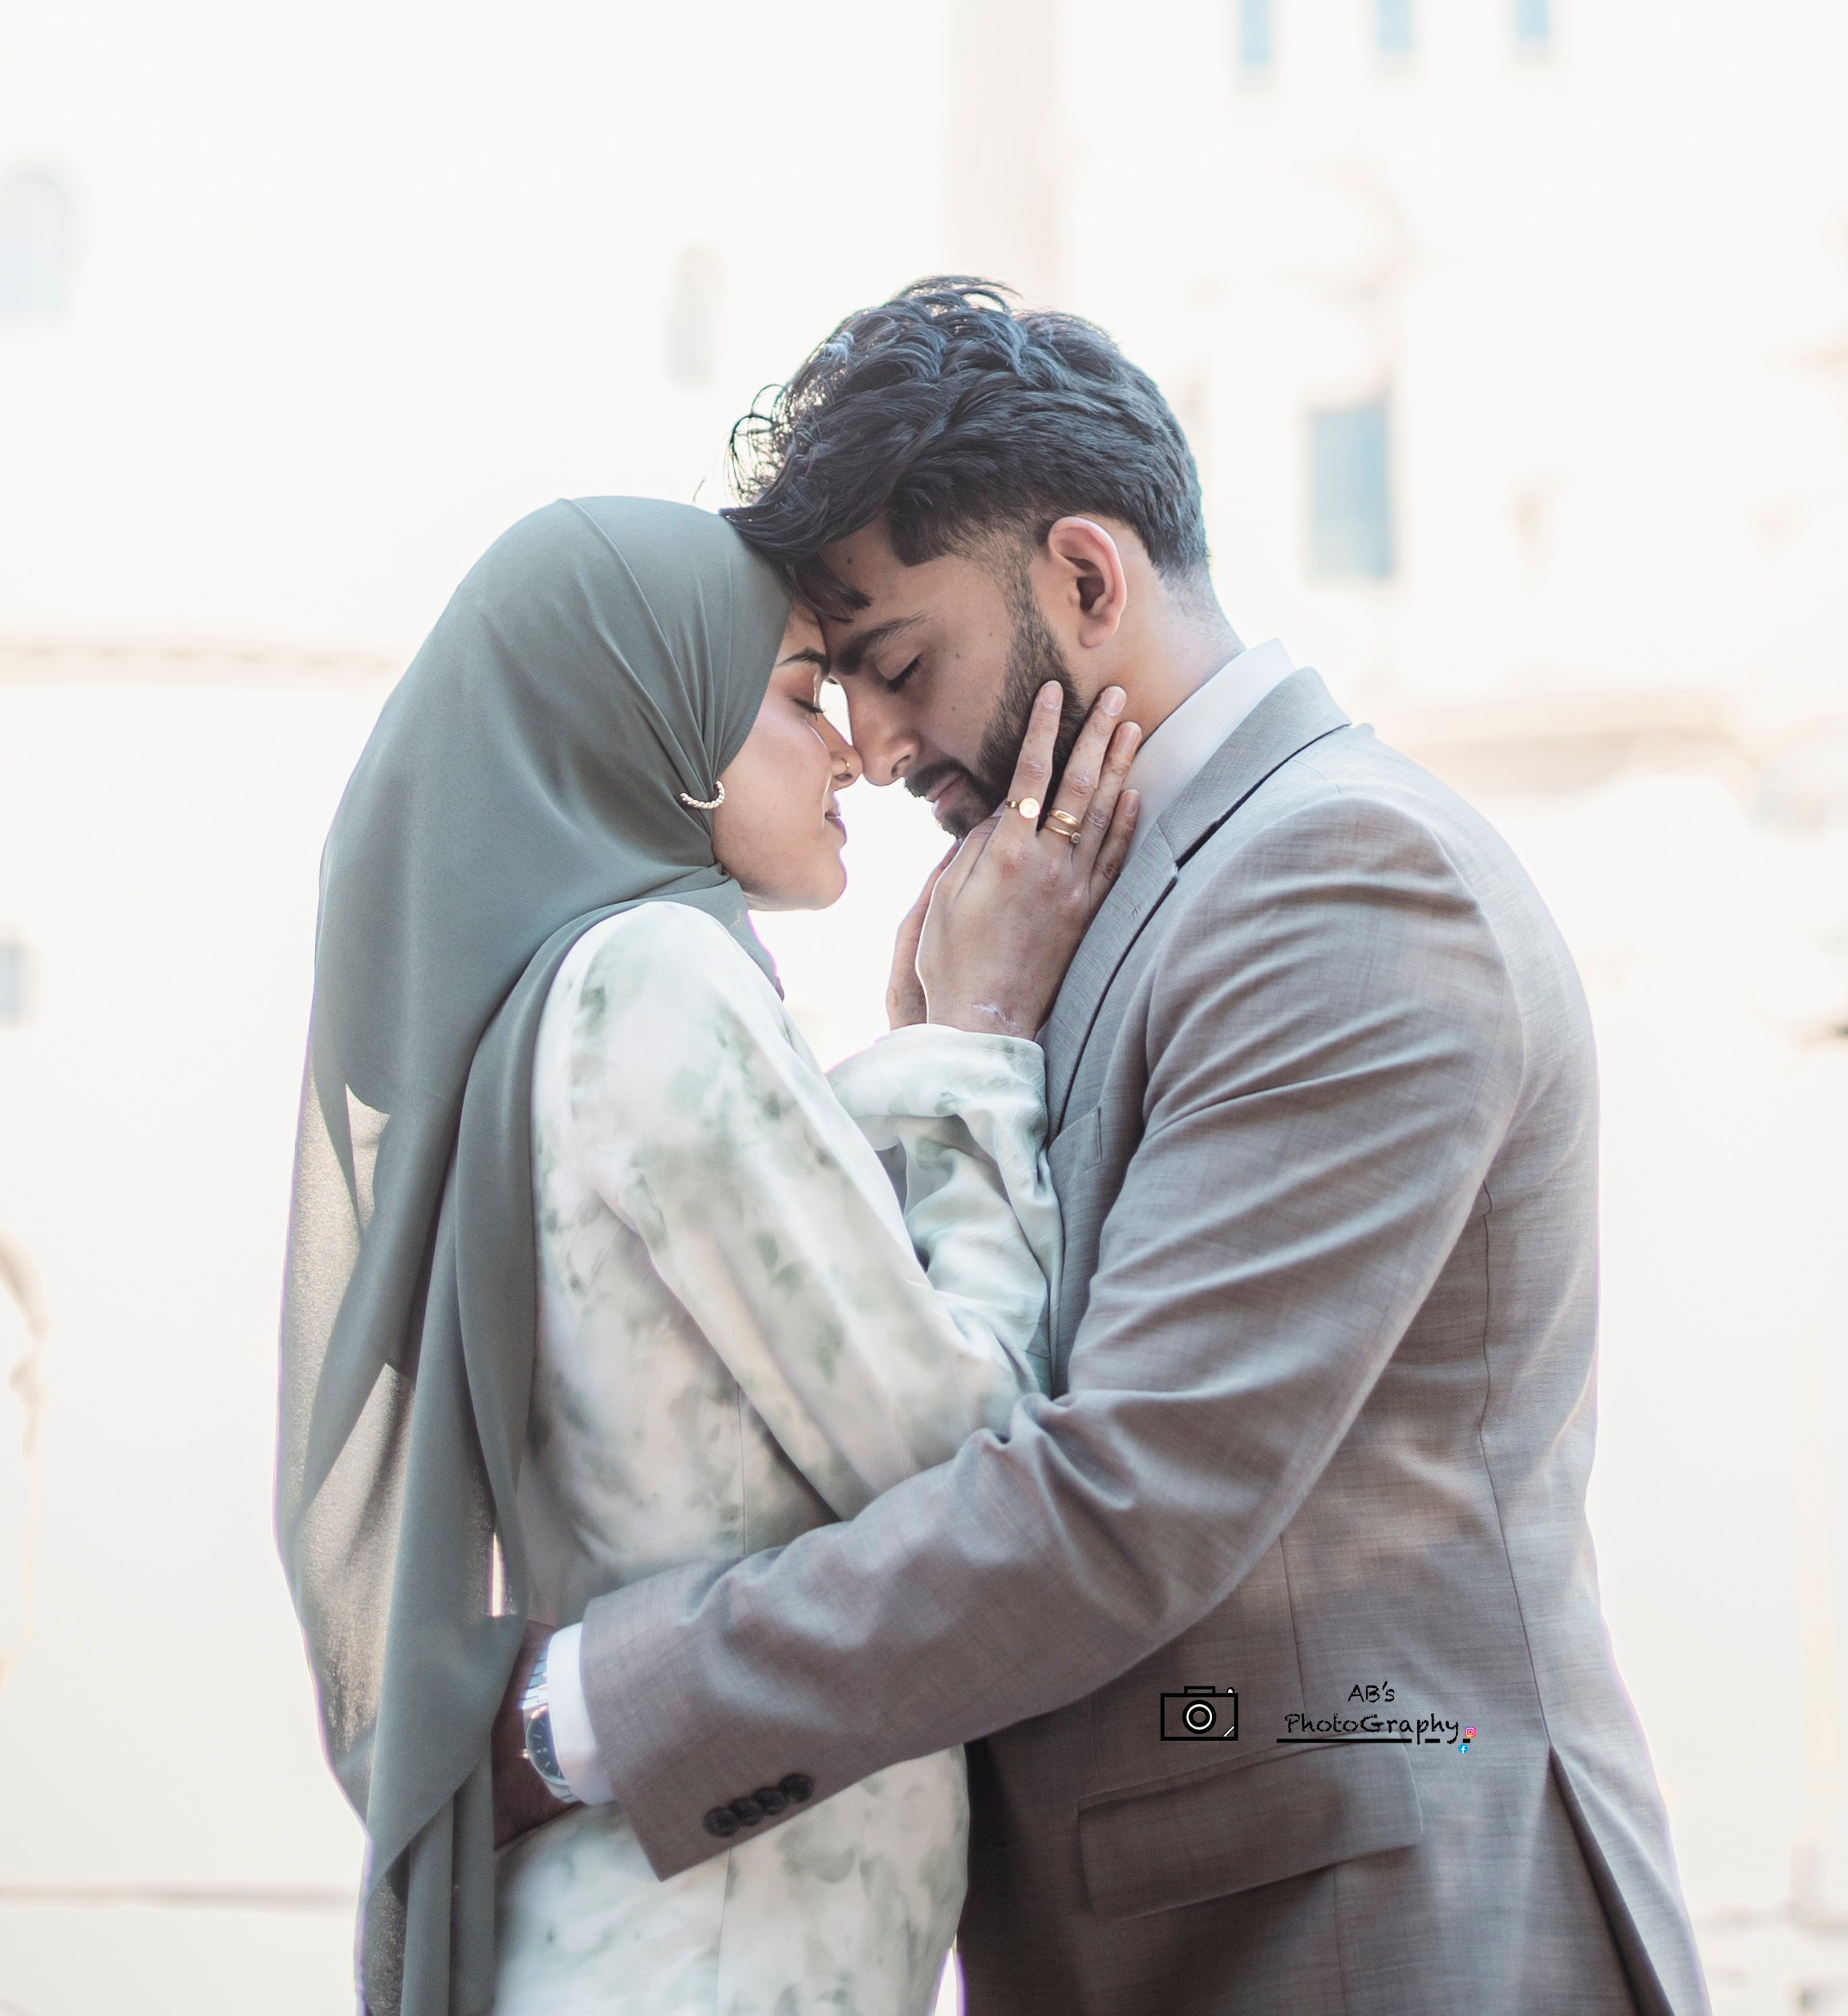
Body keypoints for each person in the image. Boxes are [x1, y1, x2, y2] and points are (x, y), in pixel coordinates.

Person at [511, 282, 1712, 2016]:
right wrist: (957, 1047)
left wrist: (589, 1715)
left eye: (901, 667)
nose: (881, 749)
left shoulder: (1340, 880)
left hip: (1370, 1941)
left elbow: (1123, 1501)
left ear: (1086, 578)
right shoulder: (1069, 905)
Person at [278, 492, 1139, 2016]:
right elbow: (960, 1462)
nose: (860, 754)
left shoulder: (553, 1021)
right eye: (804, 694)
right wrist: (977, 1041)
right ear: (653, 720)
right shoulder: (649, 984)